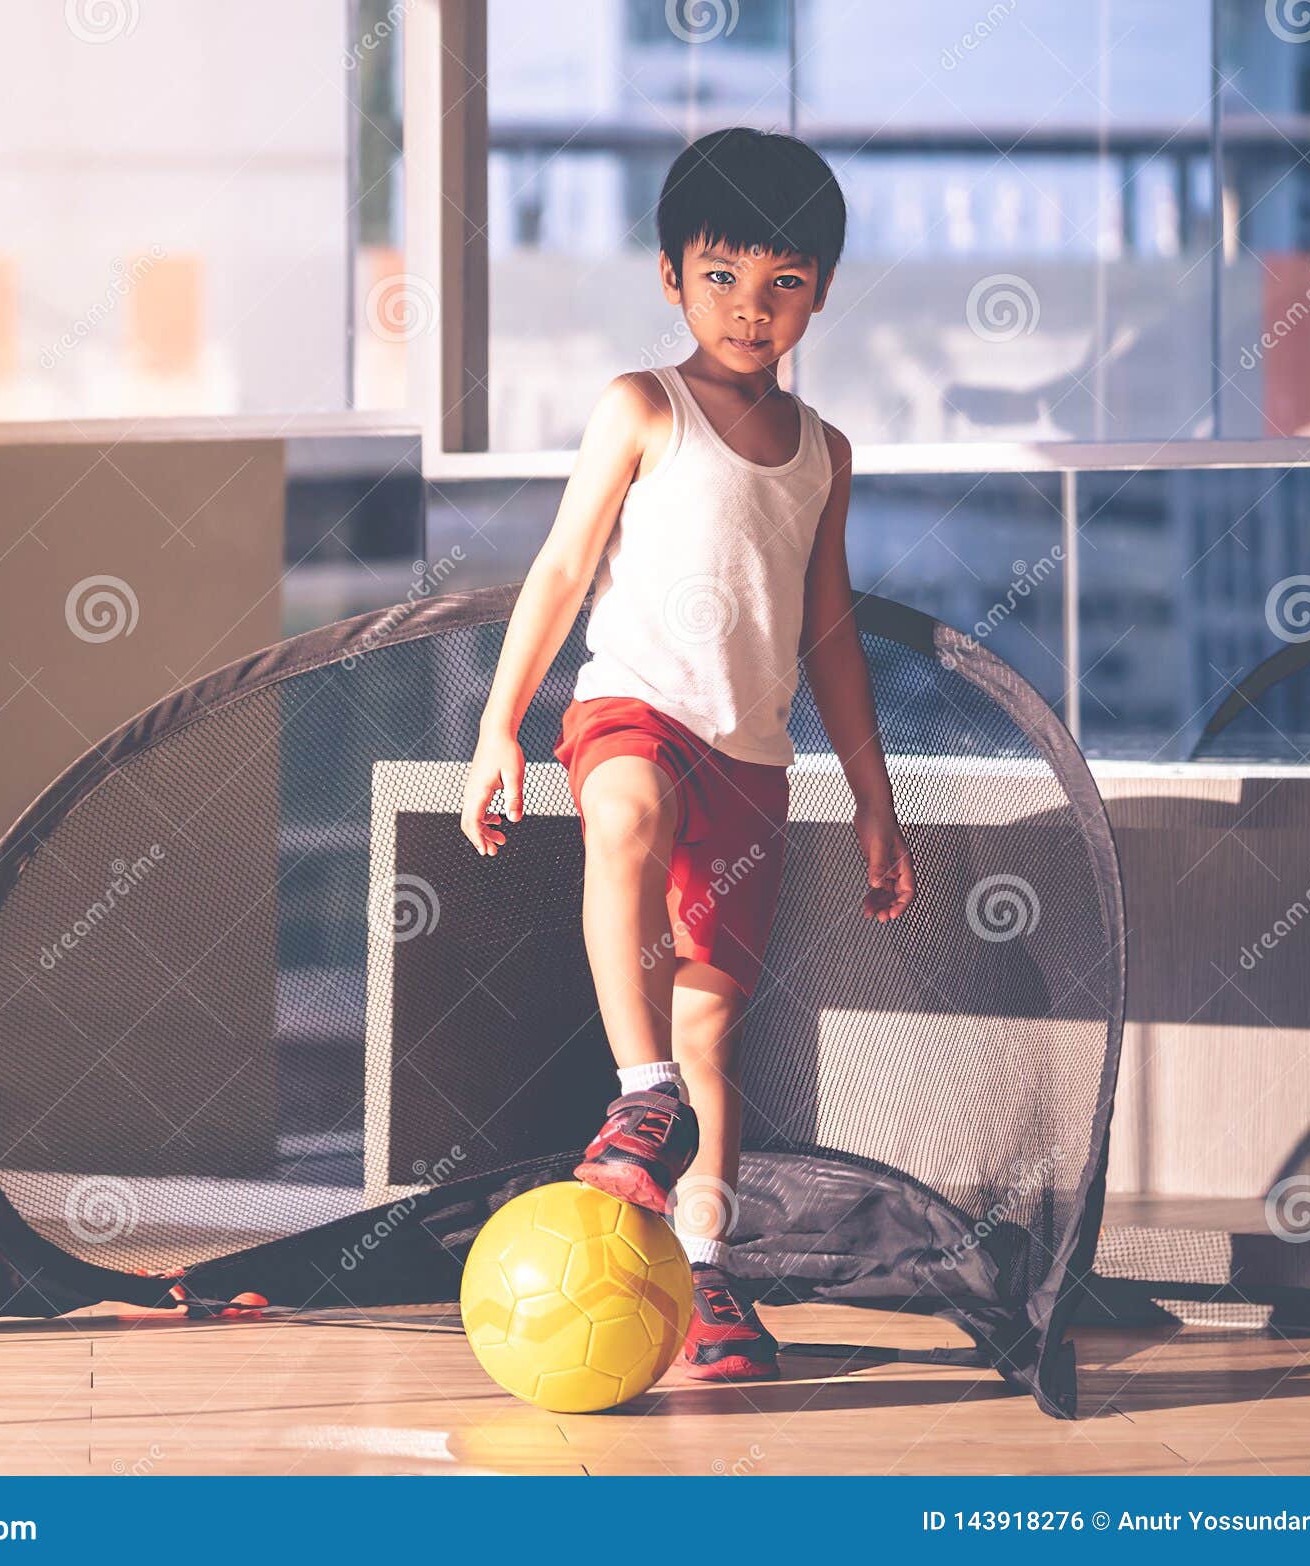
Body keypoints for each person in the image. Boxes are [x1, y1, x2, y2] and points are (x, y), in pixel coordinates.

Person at [460, 127, 916, 1383]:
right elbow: (559, 567)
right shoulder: (641, 406)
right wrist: (500, 725)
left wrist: (873, 802)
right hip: (633, 713)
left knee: (719, 1038)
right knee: (622, 817)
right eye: (720, 276)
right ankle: (637, 1088)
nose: (749, 308)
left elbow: (830, 639)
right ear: (671, 278)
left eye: (780, 282)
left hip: (753, 764)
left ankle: (708, 1281)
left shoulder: (824, 453)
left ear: (818, 291)